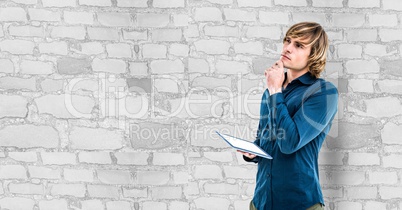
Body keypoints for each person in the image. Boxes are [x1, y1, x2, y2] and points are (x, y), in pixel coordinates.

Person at [238, 22, 338, 210]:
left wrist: (275, 89)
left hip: (299, 204)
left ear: (314, 54)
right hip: (261, 202)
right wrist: (253, 152)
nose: (288, 48)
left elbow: (290, 143)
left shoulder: (324, 93)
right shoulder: (271, 92)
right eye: (288, 40)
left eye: (299, 45)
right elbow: (265, 139)